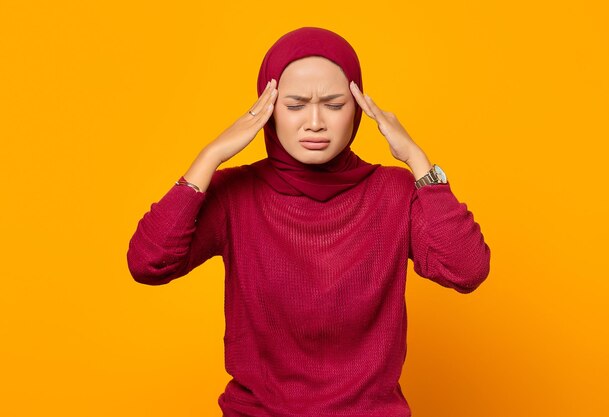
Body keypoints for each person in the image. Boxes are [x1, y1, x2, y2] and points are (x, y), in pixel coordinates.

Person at [127, 26, 491, 417]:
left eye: (334, 105)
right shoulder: (237, 194)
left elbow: (466, 269)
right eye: (296, 104)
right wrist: (210, 156)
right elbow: (148, 263)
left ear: (358, 110)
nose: (315, 122)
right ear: (267, 109)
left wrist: (418, 160)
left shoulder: (394, 191)